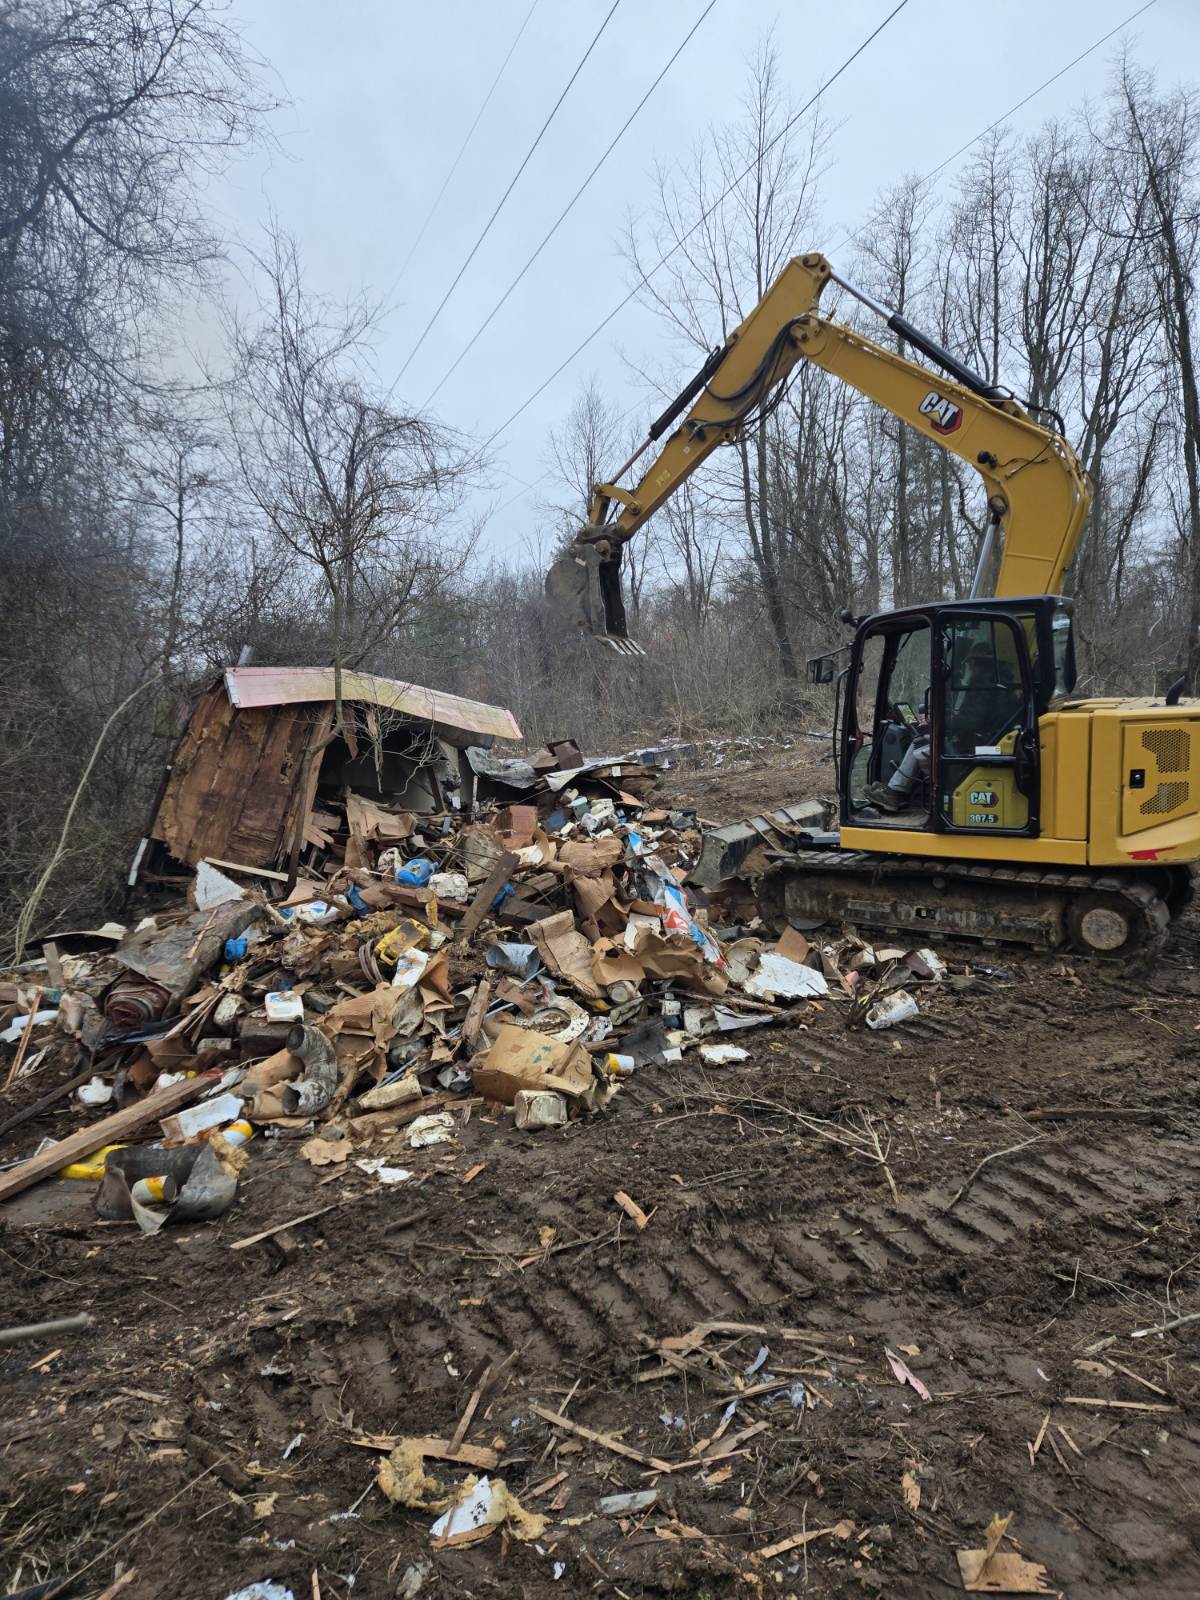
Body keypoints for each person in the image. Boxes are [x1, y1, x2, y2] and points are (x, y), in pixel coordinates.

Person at [863, 642, 1000, 815]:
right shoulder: (988, 685)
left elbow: (973, 721)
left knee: (922, 742)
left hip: (980, 745)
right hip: (982, 740)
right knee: (925, 738)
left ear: (979, 664)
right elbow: (972, 718)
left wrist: (941, 723)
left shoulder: (984, 687)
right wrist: (943, 719)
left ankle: (896, 792)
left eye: (971, 662)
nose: (968, 666)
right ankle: (896, 790)